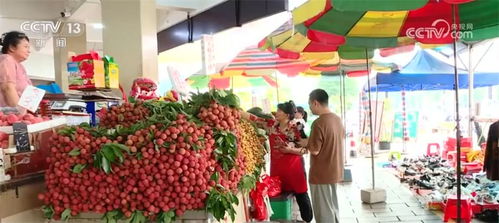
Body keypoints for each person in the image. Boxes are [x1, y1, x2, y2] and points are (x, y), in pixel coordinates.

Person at [242, 101, 313, 222]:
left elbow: (306, 150)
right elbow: (255, 119)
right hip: (278, 171)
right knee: (281, 200)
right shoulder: (272, 126)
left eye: (279, 111)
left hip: (295, 170)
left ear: (287, 114)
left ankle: (307, 219)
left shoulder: (297, 128)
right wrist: (237, 112)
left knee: (302, 197)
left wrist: (290, 149)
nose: (276, 113)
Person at [298, 89, 344, 223]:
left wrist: (305, 144)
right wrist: (309, 141)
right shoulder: (337, 119)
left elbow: (315, 150)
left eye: (310, 105)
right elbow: (329, 141)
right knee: (333, 207)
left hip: (321, 174)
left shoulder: (318, 123)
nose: (310, 108)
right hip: (334, 171)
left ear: (316, 103)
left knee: (323, 212)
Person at [0, 31, 32, 107]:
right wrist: (19, 113)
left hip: (23, 113)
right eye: (26, 47)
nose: (29, 51)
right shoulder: (7, 59)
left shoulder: (20, 66)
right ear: (12, 47)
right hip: (10, 115)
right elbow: (8, 87)